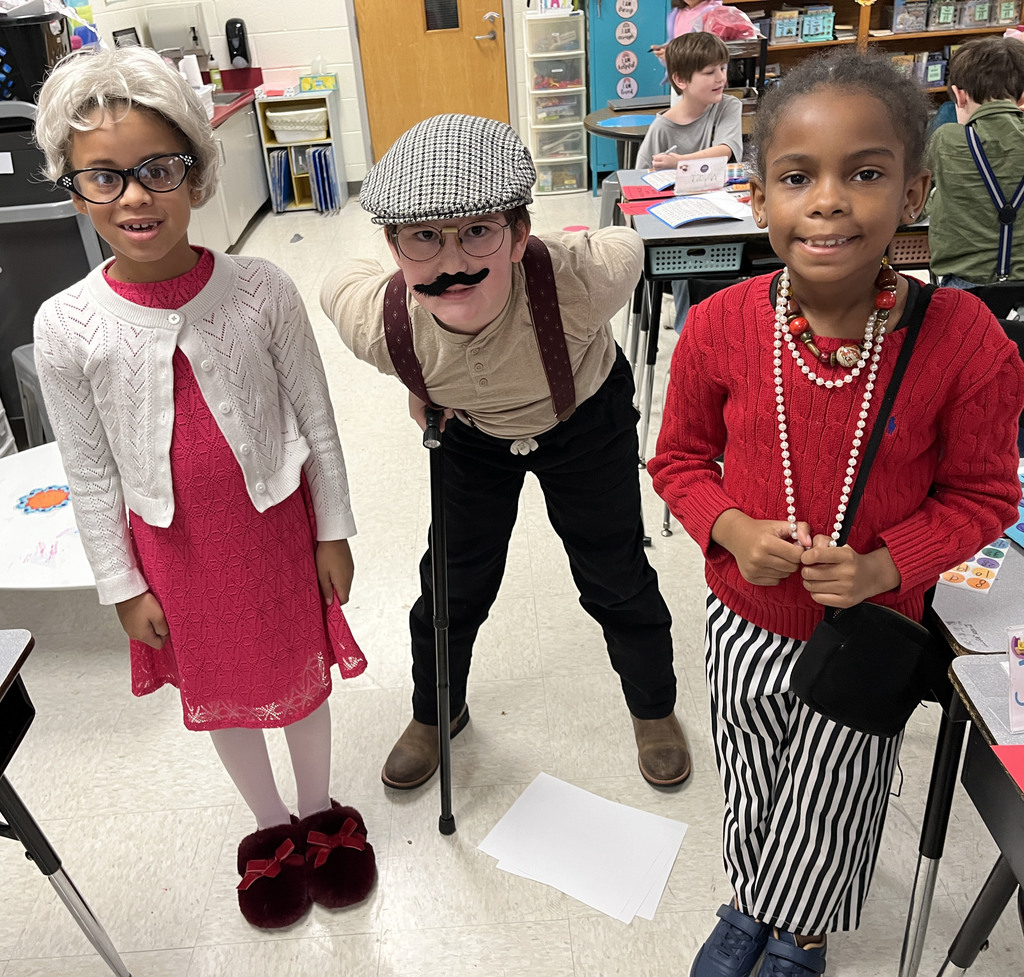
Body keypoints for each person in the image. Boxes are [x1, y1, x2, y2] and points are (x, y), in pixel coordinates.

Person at [648, 50, 1024, 977]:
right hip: (746, 617)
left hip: (872, 626)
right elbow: (679, 462)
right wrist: (732, 530)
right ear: (759, 196)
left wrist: (883, 566)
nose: (828, 201)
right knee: (754, 774)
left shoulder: (963, 340)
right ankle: (753, 901)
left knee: (836, 789)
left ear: (913, 192)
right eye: (796, 177)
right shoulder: (720, 325)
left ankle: (801, 933)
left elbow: (985, 493)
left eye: (864, 173)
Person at [32, 47, 376, 930]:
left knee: (299, 676)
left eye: (158, 169)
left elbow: (318, 416)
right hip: (175, 552)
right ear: (74, 191)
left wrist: (332, 526)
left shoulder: (261, 288)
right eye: (105, 178)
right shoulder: (66, 324)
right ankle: (268, 828)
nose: (136, 197)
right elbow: (91, 469)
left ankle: (320, 808)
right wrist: (122, 583)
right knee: (221, 685)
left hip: (275, 529)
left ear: (196, 169)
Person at [320, 113, 689, 793]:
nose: (453, 261)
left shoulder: (582, 281)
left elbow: (627, 246)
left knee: (613, 569)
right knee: (451, 583)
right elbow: (336, 280)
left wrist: (551, 250)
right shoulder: (378, 323)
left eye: (479, 231)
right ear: (393, 247)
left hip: (582, 416)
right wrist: (419, 381)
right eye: (422, 238)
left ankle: (653, 704)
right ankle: (437, 711)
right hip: (471, 435)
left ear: (520, 235)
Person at [636, 31, 743, 333]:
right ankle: (687, 328)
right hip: (677, 221)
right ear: (681, 80)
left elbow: (726, 151)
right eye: (709, 72)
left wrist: (679, 162)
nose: (720, 77)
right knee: (683, 255)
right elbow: (639, 183)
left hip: (721, 211)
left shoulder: (727, 106)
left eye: (723, 68)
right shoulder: (661, 127)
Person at [926, 36, 1024, 288]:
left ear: (958, 96)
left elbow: (915, 203)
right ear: (1022, 98)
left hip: (965, 286)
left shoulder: (945, 140)